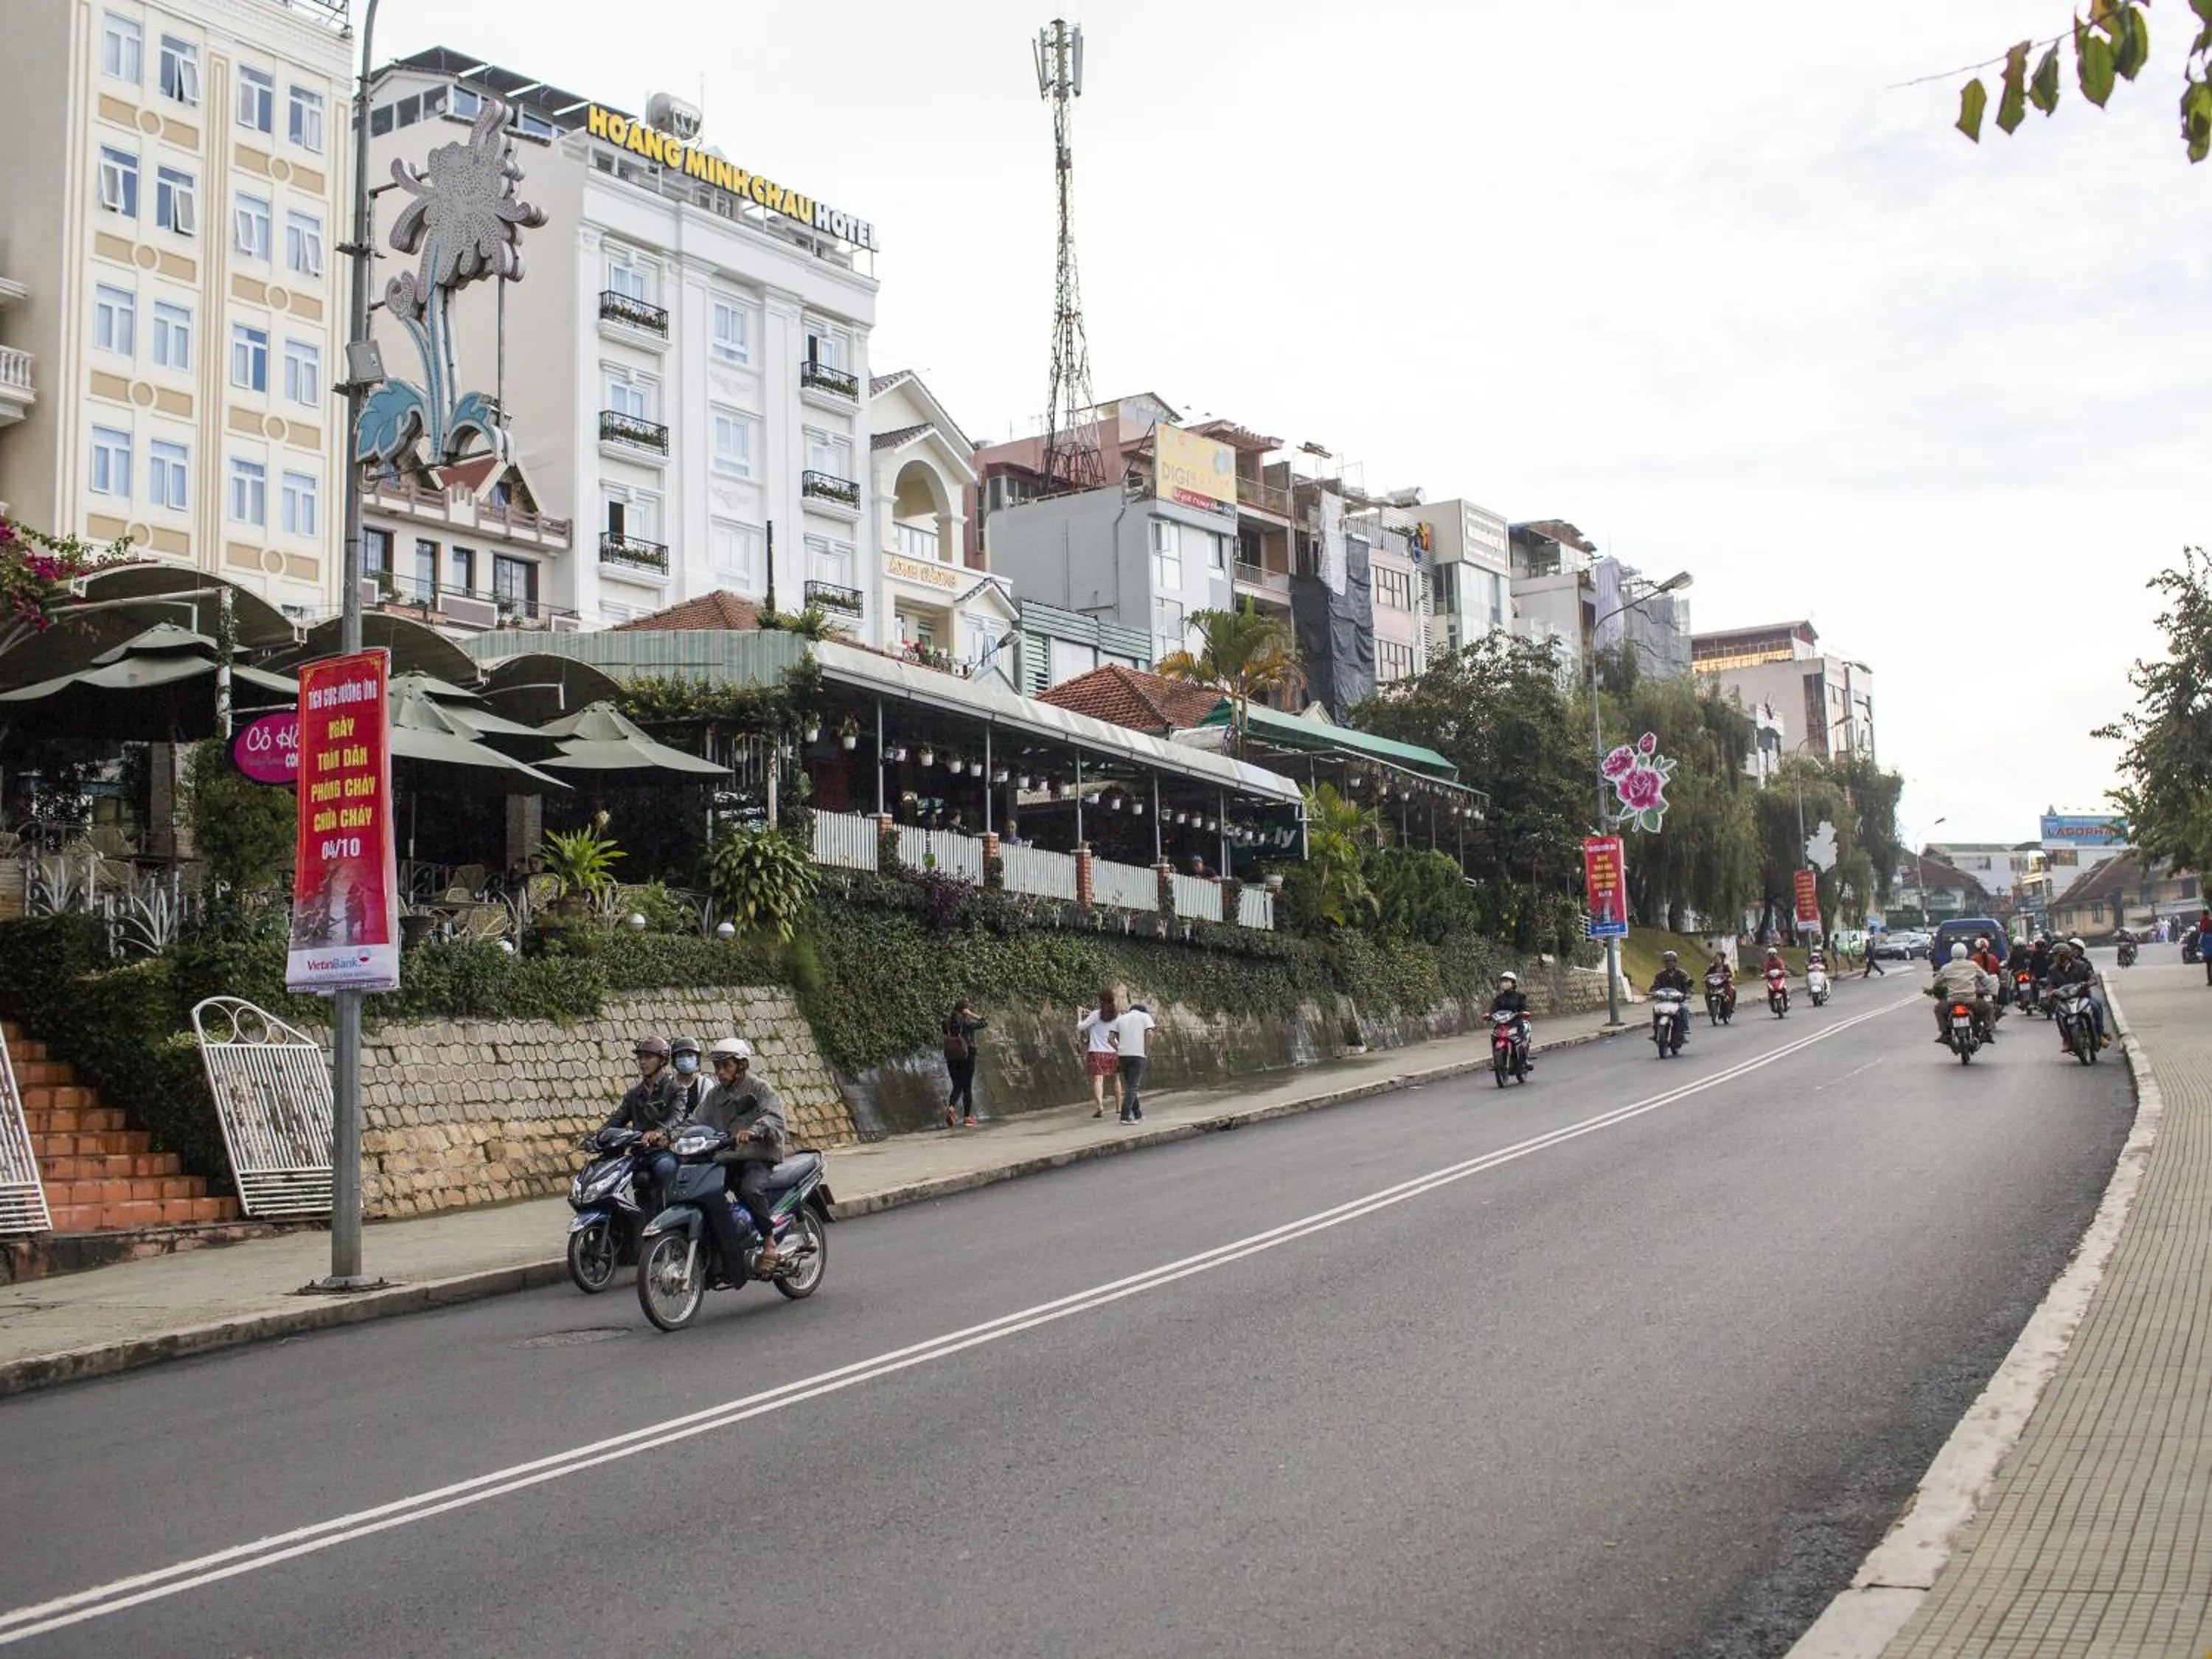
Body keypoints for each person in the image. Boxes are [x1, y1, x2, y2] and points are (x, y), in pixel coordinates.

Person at [694, 1036, 788, 1277]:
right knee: (703, 1190)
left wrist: (754, 1131)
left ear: (741, 1066)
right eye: (717, 1067)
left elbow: (774, 1117)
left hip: (759, 1154)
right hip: (728, 1157)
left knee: (749, 1189)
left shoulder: (760, 1089)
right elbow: (694, 1121)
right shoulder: (714, 1096)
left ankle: (769, 1242)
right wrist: (668, 1135)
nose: (721, 1072)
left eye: (727, 1066)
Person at [604, 1035, 686, 1207]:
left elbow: (677, 1117)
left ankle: (672, 1217)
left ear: (662, 1060)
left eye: (648, 1057)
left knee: (666, 1168)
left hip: (664, 1151)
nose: (642, 1062)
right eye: (640, 1057)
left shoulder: (676, 1090)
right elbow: (617, 1119)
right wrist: (598, 1137)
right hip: (638, 1154)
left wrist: (659, 1132)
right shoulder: (634, 1094)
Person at [1930, 943, 1996, 1045]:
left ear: (1952, 953)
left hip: (1952, 1002)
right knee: (1988, 1008)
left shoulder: (1946, 968)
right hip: (1971, 1001)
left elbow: (1936, 983)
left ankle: (1945, 1034)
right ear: (1965, 953)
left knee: (1938, 1009)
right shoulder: (1972, 965)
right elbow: (1985, 978)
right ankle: (1987, 1032)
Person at [942, 998, 987, 1129]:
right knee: (967, 1086)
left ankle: (951, 1107)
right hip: (967, 1055)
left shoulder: (946, 1022)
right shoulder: (967, 1021)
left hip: (952, 1056)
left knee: (957, 1085)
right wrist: (972, 1015)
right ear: (965, 1010)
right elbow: (984, 1022)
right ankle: (967, 1117)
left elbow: (947, 1033)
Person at [1113, 1000, 1158, 1124]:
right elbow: (1149, 1033)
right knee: (1133, 1087)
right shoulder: (1145, 1017)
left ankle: (1137, 1114)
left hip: (1123, 1056)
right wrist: (1146, 1051)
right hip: (1138, 1055)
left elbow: (1110, 1038)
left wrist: (1119, 1048)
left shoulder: (1121, 1019)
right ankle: (1125, 1116)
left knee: (1130, 1086)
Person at [1077, 990, 1121, 1118]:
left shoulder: (1096, 1014)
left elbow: (1081, 1027)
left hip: (1097, 1051)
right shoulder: (1117, 1015)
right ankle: (1118, 1107)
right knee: (1116, 1079)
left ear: (1101, 1001)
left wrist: (1080, 1014)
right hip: (1113, 1050)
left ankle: (1100, 1106)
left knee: (1098, 1079)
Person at [1489, 972, 1534, 1071]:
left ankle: (1525, 1061)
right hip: (1502, 1024)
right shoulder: (1499, 998)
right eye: (1503, 982)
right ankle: (1495, 1060)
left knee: (1520, 1041)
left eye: (1507, 981)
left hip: (1516, 1024)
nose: (1504, 984)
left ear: (1513, 983)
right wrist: (1489, 1015)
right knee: (1494, 1036)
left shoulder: (1520, 996)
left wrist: (1522, 1013)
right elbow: (1493, 1010)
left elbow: (1524, 1008)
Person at [1651, 950, 1694, 1047]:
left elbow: (1688, 985)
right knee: (1656, 1009)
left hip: (1677, 1001)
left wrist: (1688, 993)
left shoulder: (1682, 974)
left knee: (1683, 1009)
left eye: (1671, 961)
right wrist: (1653, 992)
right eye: (1666, 961)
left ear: (1675, 962)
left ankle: (1682, 1032)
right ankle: (1656, 1031)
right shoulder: (1660, 975)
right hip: (1664, 1000)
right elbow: (1655, 986)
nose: (1669, 963)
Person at [669, 1037, 707, 1118]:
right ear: (674, 1061)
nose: (686, 1059)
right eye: (681, 1056)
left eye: (690, 1056)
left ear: (698, 1059)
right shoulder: (668, 1084)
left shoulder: (705, 1084)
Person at [1704, 950, 1738, 1018]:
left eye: (1718, 958)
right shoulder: (1712, 967)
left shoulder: (1726, 966)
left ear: (1722, 959)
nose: (1717, 960)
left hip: (1724, 986)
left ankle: (1731, 1007)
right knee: (1707, 993)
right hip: (1714, 986)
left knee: (1733, 991)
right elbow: (1706, 974)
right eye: (1716, 958)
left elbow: (1731, 974)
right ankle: (1710, 1009)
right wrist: (1705, 978)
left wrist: (1729, 976)